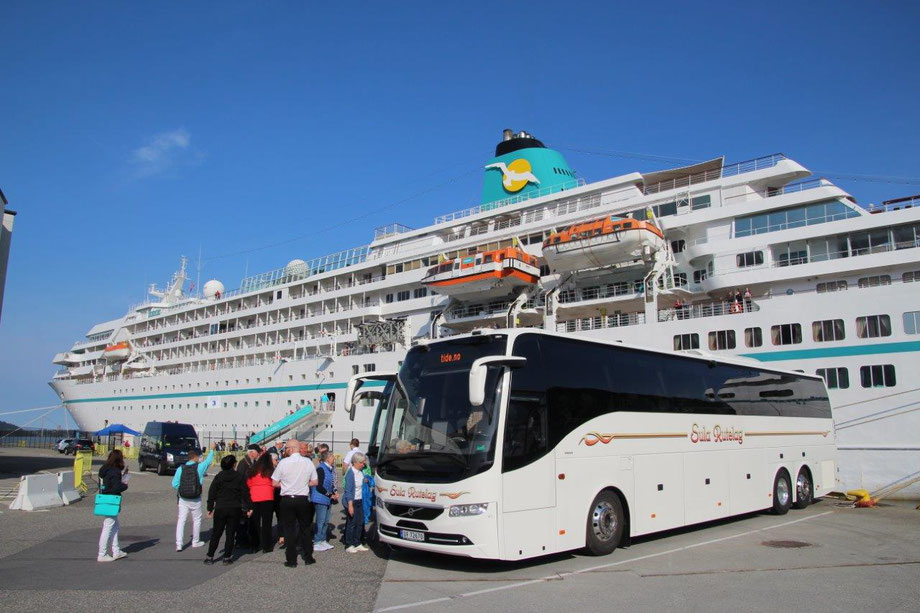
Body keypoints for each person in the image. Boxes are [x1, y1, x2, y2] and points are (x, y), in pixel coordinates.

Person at [272, 438, 318, 568]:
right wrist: (303, 483)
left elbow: (274, 483)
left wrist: (286, 485)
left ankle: (291, 560)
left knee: (289, 530)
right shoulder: (308, 462)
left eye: (286, 448)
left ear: (291, 449)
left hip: (287, 499)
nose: (286, 450)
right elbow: (315, 482)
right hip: (302, 499)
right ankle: (308, 557)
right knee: (305, 528)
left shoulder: (283, 463)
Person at [204, 455, 252, 565]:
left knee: (216, 533)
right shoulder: (239, 477)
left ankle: (210, 556)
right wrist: (249, 507)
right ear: (234, 464)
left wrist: (210, 507)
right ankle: (227, 557)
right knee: (230, 533)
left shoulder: (219, 476)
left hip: (221, 507)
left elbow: (212, 493)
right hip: (234, 507)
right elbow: (245, 492)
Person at [172, 442, 216, 551]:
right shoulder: (199, 467)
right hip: (195, 498)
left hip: (183, 498)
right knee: (196, 519)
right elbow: (208, 461)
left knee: (181, 520)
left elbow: (174, 484)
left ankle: (179, 544)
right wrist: (212, 450)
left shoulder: (180, 468)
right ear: (195, 457)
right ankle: (195, 541)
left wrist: (182, 488)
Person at [97, 449, 129, 562]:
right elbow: (116, 487)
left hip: (105, 498)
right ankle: (102, 553)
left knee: (114, 526)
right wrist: (125, 485)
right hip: (112, 500)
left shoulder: (104, 469)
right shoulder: (115, 471)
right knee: (108, 526)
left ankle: (116, 551)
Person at [247, 452, 277, 554]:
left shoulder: (253, 471)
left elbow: (249, 483)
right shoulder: (270, 471)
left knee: (255, 522)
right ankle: (266, 545)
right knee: (266, 523)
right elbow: (274, 484)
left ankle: (254, 545)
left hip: (254, 496)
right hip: (267, 496)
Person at [310, 450, 338, 551]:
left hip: (327, 499)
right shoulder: (321, 468)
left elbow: (331, 483)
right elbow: (319, 486)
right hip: (320, 498)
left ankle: (322, 540)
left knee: (326, 521)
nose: (334, 458)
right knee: (320, 521)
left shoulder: (330, 469)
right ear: (327, 458)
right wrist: (330, 495)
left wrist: (334, 492)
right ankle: (317, 541)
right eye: (332, 457)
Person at [343, 452, 369, 553]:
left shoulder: (360, 472)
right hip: (352, 501)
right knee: (351, 523)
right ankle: (349, 544)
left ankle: (357, 542)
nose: (364, 464)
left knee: (360, 522)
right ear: (356, 462)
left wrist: (366, 481)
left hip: (360, 500)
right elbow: (348, 490)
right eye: (362, 462)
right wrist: (350, 505)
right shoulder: (350, 473)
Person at [236, 444, 261, 549]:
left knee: (247, 518)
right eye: (257, 453)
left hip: (249, 493)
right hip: (244, 495)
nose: (258, 455)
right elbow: (241, 481)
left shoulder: (251, 462)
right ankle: (240, 541)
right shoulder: (243, 464)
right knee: (243, 518)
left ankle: (244, 538)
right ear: (251, 452)